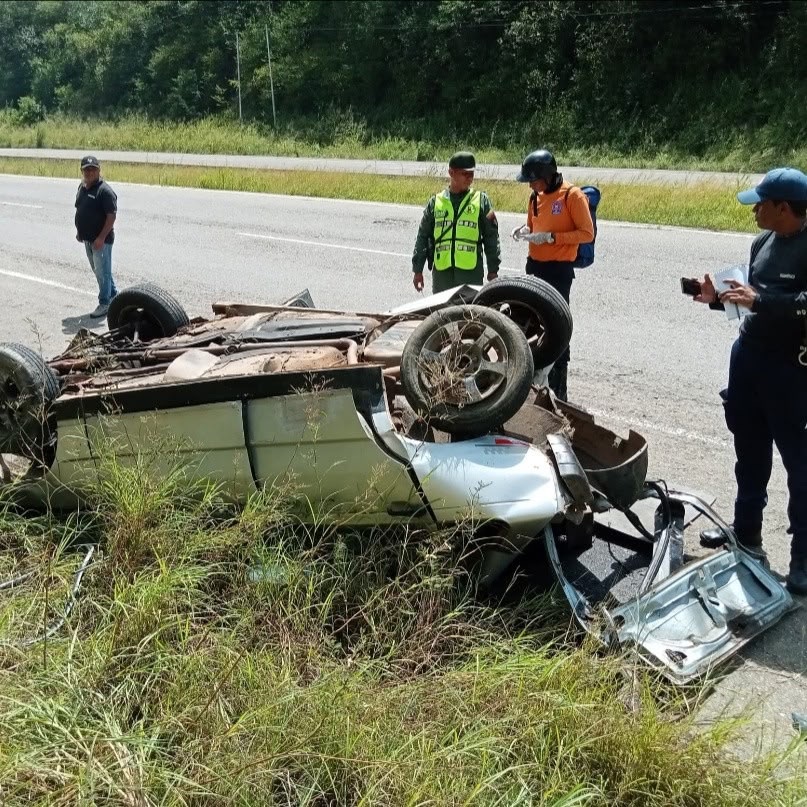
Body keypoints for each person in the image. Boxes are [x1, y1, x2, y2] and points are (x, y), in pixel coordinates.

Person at [694, 167, 807, 596]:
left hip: (792, 369)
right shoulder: (762, 242)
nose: (754, 211)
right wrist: (715, 298)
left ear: (783, 208)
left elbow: (785, 302)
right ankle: (746, 535)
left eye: (761, 204)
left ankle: (803, 559)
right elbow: (749, 301)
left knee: (800, 466)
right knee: (749, 453)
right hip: (749, 359)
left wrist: (762, 300)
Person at [511, 149, 594, 400]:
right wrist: (525, 231)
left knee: (557, 326)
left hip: (558, 271)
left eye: (533, 180)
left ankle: (559, 390)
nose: (531, 186)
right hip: (534, 266)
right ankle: (527, 384)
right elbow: (533, 225)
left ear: (547, 176)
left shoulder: (572, 195)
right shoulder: (535, 197)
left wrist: (552, 238)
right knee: (526, 320)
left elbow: (586, 233)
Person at [412, 151, 501, 294]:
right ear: (451, 173)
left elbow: (491, 237)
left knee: (469, 308)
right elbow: (423, 236)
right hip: (442, 275)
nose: (470, 178)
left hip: (470, 274)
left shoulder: (481, 201)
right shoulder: (435, 202)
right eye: (465, 174)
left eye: (472, 174)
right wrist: (418, 270)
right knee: (442, 308)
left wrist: (493, 270)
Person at [75, 155, 118, 318]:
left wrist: (101, 238)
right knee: (100, 271)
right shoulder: (82, 187)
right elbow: (80, 209)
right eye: (86, 170)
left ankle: (104, 303)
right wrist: (80, 231)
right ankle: (114, 296)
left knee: (102, 272)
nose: (90, 172)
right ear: (82, 171)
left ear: (99, 170)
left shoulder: (104, 191)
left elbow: (111, 217)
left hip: (101, 240)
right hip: (88, 239)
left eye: (93, 169)